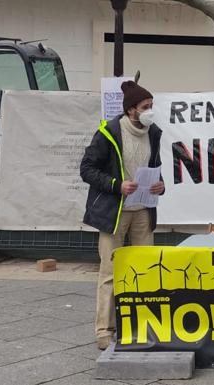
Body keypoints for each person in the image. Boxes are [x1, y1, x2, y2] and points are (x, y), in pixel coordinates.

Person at [80, 80, 164, 350]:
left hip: (143, 211)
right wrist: (117, 186)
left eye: (152, 105)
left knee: (145, 271)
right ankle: (105, 331)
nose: (150, 110)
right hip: (114, 213)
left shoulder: (154, 133)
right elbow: (87, 169)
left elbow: (154, 167)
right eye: (145, 107)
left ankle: (142, 326)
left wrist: (160, 184)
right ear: (131, 111)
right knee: (109, 273)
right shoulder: (108, 134)